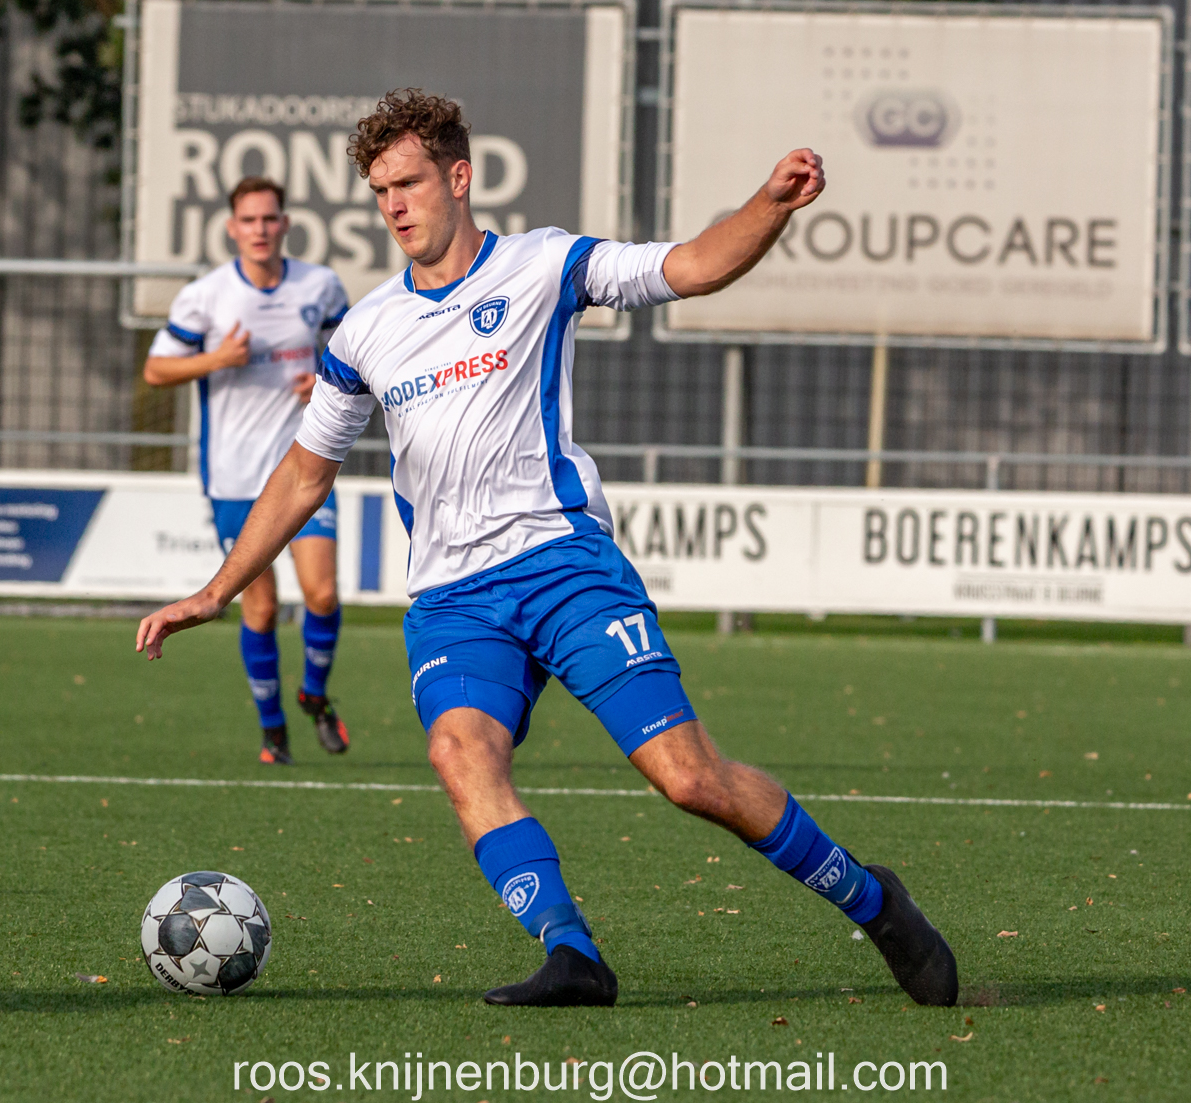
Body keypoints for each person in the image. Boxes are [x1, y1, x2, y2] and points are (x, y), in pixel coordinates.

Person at [137, 90, 958, 1007]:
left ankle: (875, 901)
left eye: (409, 183)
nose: (394, 205)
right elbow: (302, 474)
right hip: (453, 598)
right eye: (380, 191)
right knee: (460, 752)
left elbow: (690, 267)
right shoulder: (364, 331)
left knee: (690, 779)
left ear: (459, 176)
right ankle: (573, 953)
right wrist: (216, 591)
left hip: (563, 567)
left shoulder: (543, 265)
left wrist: (768, 205)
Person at [143, 176, 352, 766]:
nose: (260, 229)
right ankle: (273, 729)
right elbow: (157, 370)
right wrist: (217, 358)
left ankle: (313, 694)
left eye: (269, 218)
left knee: (323, 592)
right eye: (249, 220)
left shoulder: (320, 285)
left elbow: (351, 353)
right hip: (234, 477)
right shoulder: (206, 296)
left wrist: (325, 380)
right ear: (232, 228)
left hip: (303, 464)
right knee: (259, 607)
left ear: (285, 224)